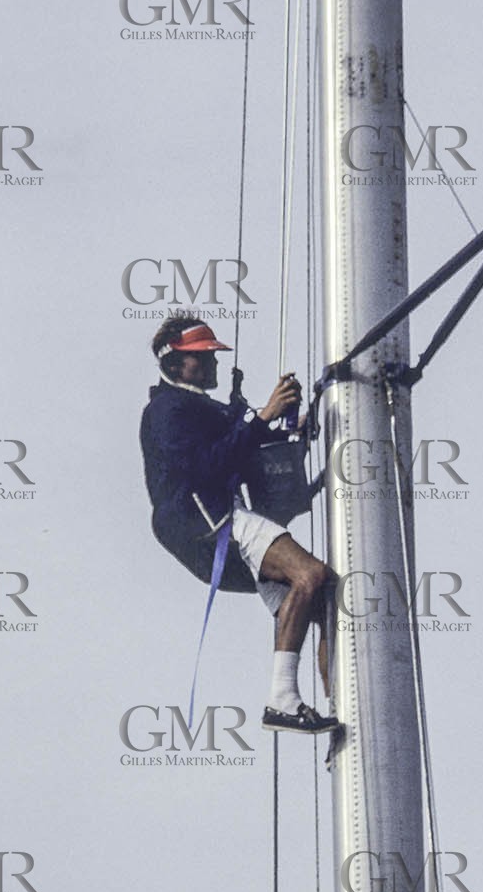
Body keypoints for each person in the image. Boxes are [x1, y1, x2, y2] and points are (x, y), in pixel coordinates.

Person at [140, 313, 337, 734]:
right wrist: (264, 416)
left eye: (212, 356)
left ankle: (335, 705)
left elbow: (246, 439)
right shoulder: (166, 410)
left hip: (211, 524)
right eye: (201, 357)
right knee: (312, 574)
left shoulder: (202, 406)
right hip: (206, 522)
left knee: (319, 603)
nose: (211, 363)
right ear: (175, 362)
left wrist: (287, 425)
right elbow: (204, 466)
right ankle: (281, 699)